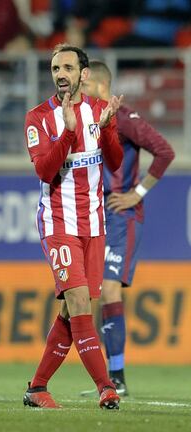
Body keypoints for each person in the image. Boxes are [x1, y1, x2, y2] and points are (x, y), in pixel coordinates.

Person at [23, 43, 124, 410]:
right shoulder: (37, 118)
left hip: (94, 225)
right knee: (79, 302)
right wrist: (67, 134)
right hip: (59, 222)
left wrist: (109, 128)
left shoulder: (99, 110)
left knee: (73, 311)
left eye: (67, 68)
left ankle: (37, 387)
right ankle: (106, 388)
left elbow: (114, 163)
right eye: (54, 69)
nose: (60, 75)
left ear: (84, 74)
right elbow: (44, 171)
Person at [79, 60, 175, 396]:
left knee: (109, 290)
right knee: (94, 294)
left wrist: (137, 193)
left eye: (85, 85)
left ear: (101, 86)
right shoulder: (87, 120)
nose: (80, 90)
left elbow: (165, 151)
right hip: (97, 215)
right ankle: (110, 380)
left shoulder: (125, 118)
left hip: (123, 217)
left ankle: (116, 379)